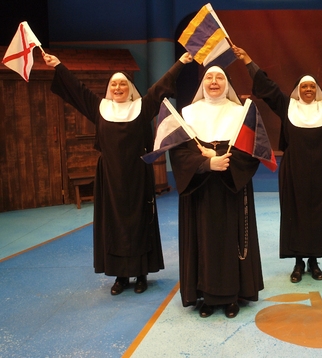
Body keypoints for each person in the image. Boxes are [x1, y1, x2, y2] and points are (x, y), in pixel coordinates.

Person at [43, 51, 193, 295]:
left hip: (138, 177)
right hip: (110, 179)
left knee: (140, 223)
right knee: (114, 226)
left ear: (130, 88)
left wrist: (181, 63)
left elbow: (160, 86)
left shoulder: (142, 107)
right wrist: (58, 65)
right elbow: (76, 88)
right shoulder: (98, 108)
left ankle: (142, 274)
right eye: (113, 83)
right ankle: (120, 276)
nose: (118, 87)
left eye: (123, 83)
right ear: (108, 88)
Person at [232, 45, 322, 283]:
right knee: (295, 214)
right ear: (298, 91)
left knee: (318, 216)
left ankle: (314, 261)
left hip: (320, 172)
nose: (309, 90)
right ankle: (298, 262)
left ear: (317, 90)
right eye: (304, 87)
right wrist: (249, 60)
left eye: (312, 86)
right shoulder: (286, 106)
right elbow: (267, 86)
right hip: (293, 172)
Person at [169, 65, 264, 319]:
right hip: (200, 190)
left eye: (219, 77)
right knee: (203, 241)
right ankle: (206, 297)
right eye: (209, 77)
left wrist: (224, 161)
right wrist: (206, 164)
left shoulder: (241, 113)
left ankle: (232, 296)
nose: (214, 82)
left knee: (230, 240)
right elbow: (178, 154)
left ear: (227, 83)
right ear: (202, 84)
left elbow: (252, 150)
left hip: (232, 188)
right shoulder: (187, 114)